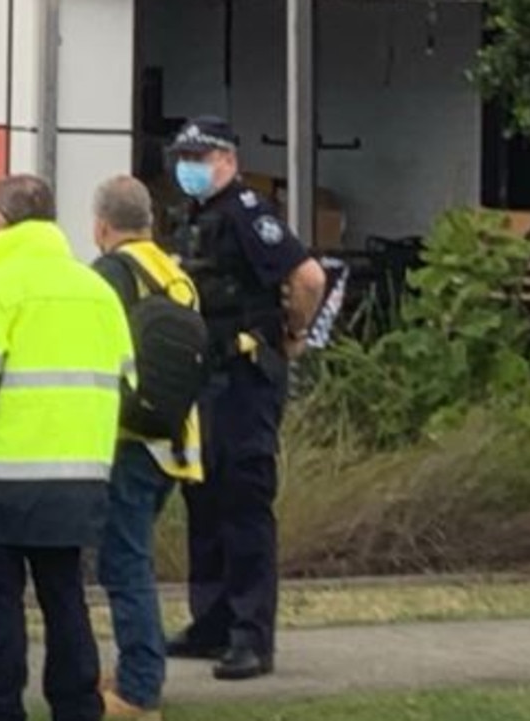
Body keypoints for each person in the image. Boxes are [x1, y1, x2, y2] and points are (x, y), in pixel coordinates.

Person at [0, 174, 134, 721]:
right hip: (77, 481)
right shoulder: (96, 288)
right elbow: (126, 379)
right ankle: (77, 707)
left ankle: (0, 709)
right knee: (66, 601)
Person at [162, 117, 326, 680]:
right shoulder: (198, 216)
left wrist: (295, 333)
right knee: (202, 499)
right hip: (205, 378)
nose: (189, 166)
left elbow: (307, 277)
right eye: (183, 156)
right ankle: (211, 623)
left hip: (244, 378)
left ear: (227, 161)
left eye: (200, 157)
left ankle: (251, 637)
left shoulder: (248, 214)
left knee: (242, 503)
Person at [90, 176, 205, 718]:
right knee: (134, 558)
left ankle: (137, 689)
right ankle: (138, 668)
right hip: (175, 441)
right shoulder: (176, 275)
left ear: (101, 226)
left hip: (128, 437)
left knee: (124, 565)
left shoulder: (111, 275)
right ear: (150, 223)